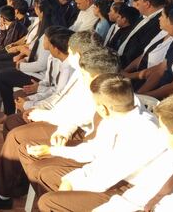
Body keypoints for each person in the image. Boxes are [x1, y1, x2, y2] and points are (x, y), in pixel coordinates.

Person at [0, 48, 120, 210]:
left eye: (84, 74)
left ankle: (12, 192)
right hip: (70, 128)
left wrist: (42, 118)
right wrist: (63, 129)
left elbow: (81, 119)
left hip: (83, 139)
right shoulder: (86, 79)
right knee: (16, 132)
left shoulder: (111, 97)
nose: (81, 76)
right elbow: (67, 105)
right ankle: (9, 188)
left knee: (19, 139)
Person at [32, 74, 165, 212]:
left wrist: (71, 182)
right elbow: (95, 150)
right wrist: (52, 151)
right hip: (110, 175)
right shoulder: (115, 117)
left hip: (134, 191)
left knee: (50, 203)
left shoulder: (145, 130)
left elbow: (107, 175)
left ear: (102, 109)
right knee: (44, 173)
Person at [118, 0, 165, 68]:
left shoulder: (159, 23)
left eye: (138, 0)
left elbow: (139, 50)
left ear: (147, 4)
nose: (136, 2)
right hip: (120, 58)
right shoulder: (143, 16)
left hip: (130, 66)